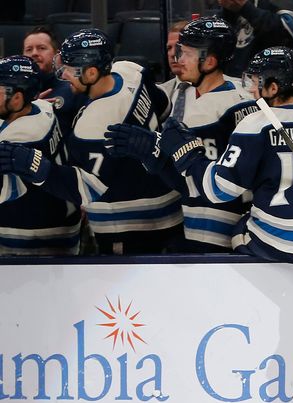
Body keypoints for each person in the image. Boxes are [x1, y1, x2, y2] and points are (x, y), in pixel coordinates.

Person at [117, 47, 293, 262]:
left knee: (238, 228)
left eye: (256, 83)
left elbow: (218, 190)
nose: (251, 90)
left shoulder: (255, 124)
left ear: (273, 88)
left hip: (271, 243)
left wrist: (188, 153)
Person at [0, 29, 179, 255]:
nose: (63, 75)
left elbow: (87, 189)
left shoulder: (96, 123)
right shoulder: (129, 70)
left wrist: (37, 167)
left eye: (69, 69)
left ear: (92, 72)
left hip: (130, 225)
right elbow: (164, 108)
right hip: (169, 205)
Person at [107, 17, 258, 253]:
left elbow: (195, 183)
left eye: (186, 53)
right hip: (241, 219)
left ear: (208, 61)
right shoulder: (243, 96)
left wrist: (150, 152)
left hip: (213, 227)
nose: (179, 59)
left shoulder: (206, 110)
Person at [0, 56, 81, 255]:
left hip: (32, 239)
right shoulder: (42, 107)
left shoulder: (20, 137)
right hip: (63, 222)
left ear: (17, 98)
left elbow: (6, 194)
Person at [215, 0, 293, 78]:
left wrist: (246, 8)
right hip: (235, 78)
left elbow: (287, 33)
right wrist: (227, 9)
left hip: (275, 82)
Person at [22, 26, 85, 132]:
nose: (34, 53)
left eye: (41, 48)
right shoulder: (15, 93)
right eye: (29, 49)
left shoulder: (73, 88)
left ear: (57, 54)